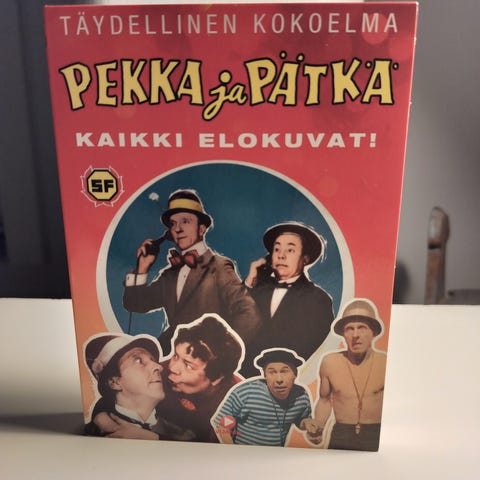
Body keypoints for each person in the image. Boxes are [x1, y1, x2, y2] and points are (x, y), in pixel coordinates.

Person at [123, 189, 260, 355]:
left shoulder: (218, 266)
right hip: (170, 353)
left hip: (202, 359)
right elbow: (135, 304)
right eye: (173, 224)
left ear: (201, 229)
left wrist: (220, 353)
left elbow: (249, 313)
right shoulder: (170, 274)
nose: (177, 228)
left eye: (185, 221)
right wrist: (142, 268)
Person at [92, 315, 244, 443]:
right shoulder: (162, 371)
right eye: (176, 355)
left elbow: (211, 448)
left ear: (217, 378)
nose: (172, 367)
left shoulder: (239, 400)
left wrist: (150, 437)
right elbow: (117, 392)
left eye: (188, 365)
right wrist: (102, 418)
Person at [241, 222, 334, 376]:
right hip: (246, 378)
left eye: (290, 250)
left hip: (290, 380)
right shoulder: (254, 290)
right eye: (277, 249)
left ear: (305, 259)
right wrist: (249, 282)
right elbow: (231, 325)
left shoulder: (318, 299)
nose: (281, 255)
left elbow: (317, 351)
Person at [301, 298, 387, 451]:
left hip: (376, 431)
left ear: (373, 332)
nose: (355, 335)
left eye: (362, 327)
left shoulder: (385, 362)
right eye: (349, 329)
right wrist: (319, 427)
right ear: (343, 334)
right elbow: (324, 400)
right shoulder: (330, 362)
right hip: (341, 432)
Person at [211, 348, 312, 446]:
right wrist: (232, 451)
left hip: (276, 455)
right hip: (244, 453)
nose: (279, 379)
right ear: (265, 375)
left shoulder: (301, 395)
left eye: (284, 371)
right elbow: (221, 424)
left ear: (295, 374)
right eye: (272, 372)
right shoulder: (246, 392)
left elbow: (301, 420)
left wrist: (307, 424)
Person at [84, 332, 169, 438]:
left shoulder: (176, 428)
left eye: (153, 359)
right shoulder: (94, 433)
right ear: (115, 382)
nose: (158, 367)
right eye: (138, 360)